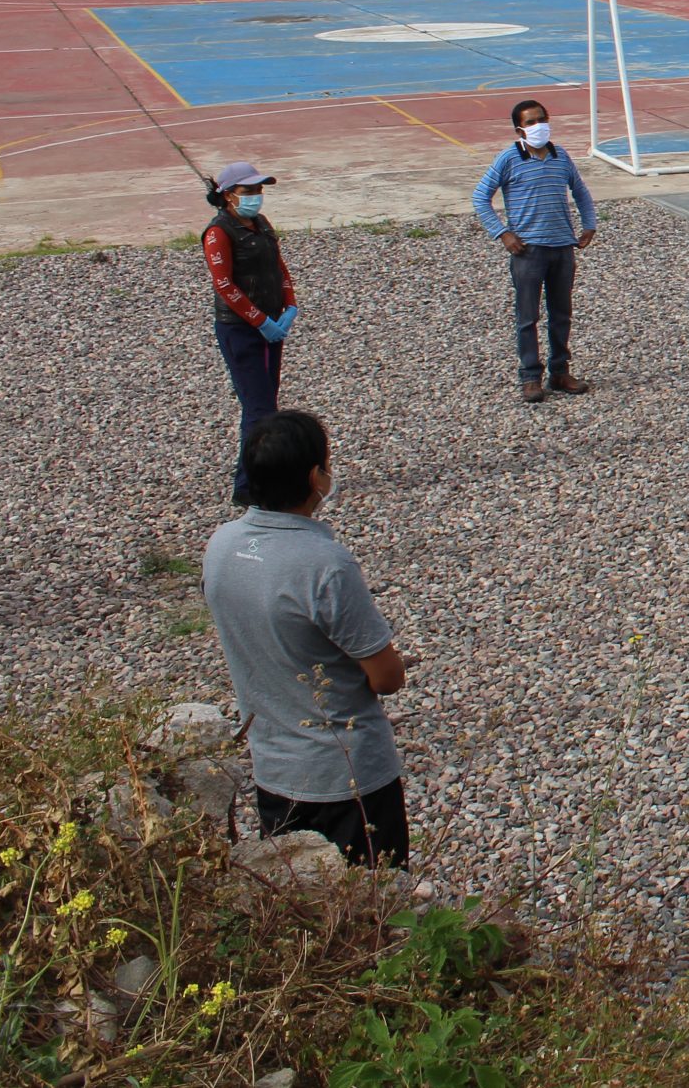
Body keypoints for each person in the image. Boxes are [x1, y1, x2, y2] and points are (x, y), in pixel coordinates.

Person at [203, 410, 414, 868]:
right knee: (377, 910)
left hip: (274, 773)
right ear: (315, 477)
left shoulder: (220, 546)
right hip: (347, 778)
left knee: (301, 911)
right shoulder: (325, 566)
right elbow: (386, 677)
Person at [472, 98, 597, 403]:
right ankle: (530, 377)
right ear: (519, 129)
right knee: (528, 317)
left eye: (542, 119)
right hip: (529, 252)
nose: (538, 125)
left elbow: (580, 190)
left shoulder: (561, 155)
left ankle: (560, 372)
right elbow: (480, 197)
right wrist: (503, 234)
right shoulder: (508, 159)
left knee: (561, 314)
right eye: (530, 122)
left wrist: (589, 224)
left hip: (562, 248)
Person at [202, 161, 297, 508]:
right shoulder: (219, 233)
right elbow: (224, 284)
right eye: (248, 191)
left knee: (265, 406)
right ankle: (249, 486)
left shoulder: (260, 224)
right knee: (259, 410)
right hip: (240, 330)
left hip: (272, 326)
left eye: (259, 190)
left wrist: (289, 305)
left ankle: (252, 479)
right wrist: (259, 320)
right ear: (228, 196)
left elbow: (278, 266)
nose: (256, 197)